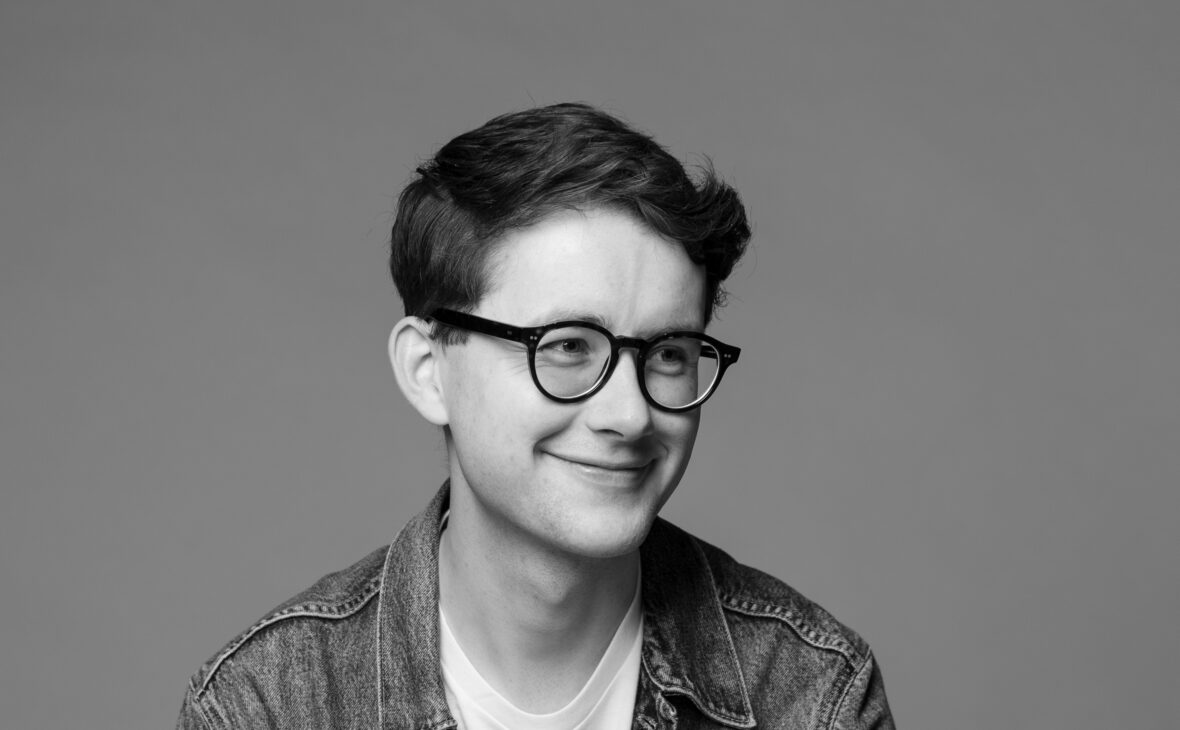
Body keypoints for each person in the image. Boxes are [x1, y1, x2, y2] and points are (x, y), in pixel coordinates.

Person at [177, 103, 894, 729]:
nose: (631, 414)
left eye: (668, 354)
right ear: (428, 370)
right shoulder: (265, 705)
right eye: (568, 347)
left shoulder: (812, 692)